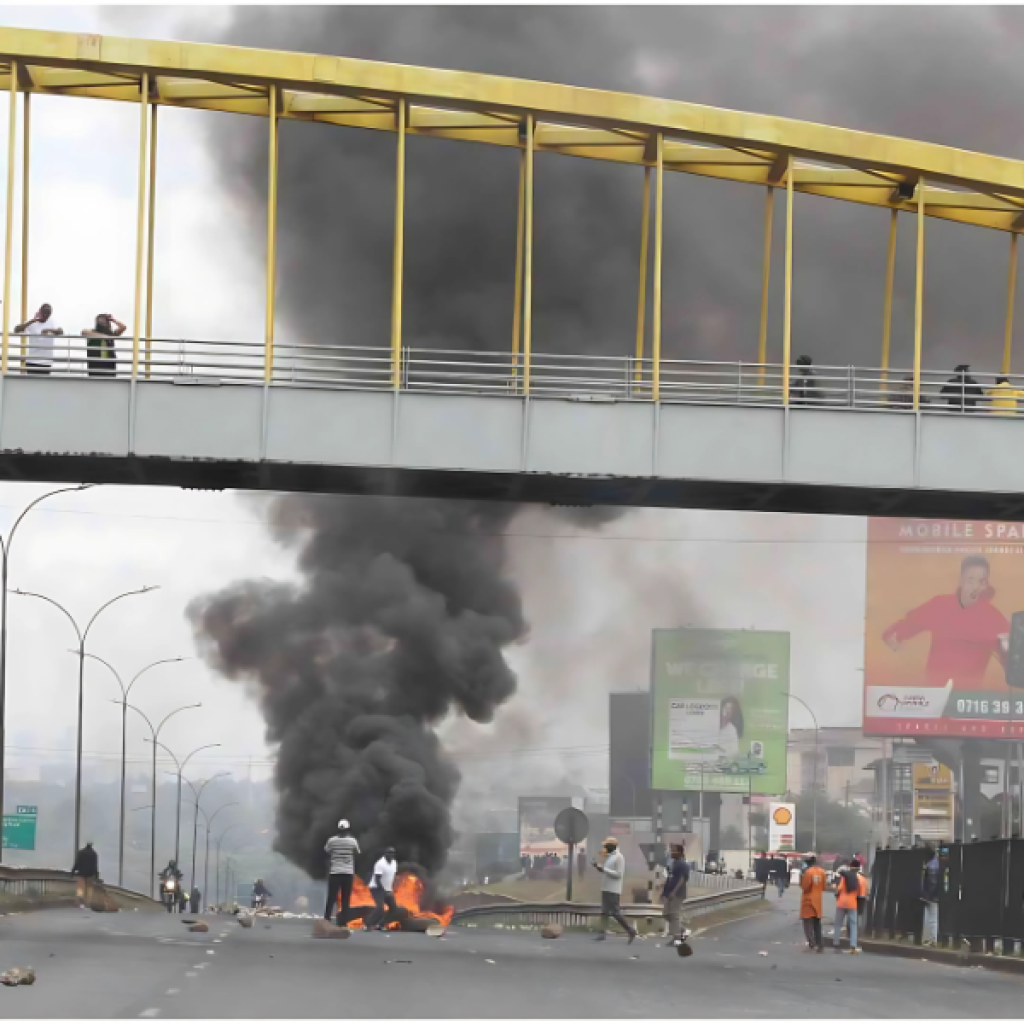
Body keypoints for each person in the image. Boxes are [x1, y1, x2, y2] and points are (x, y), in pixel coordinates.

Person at [883, 554, 1010, 691]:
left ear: (986, 584)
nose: (976, 587)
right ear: (961, 581)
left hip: (968, 700)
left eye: (982, 581)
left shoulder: (994, 619)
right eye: (970, 580)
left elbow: (1011, 659)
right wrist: (893, 636)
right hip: (934, 694)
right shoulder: (940, 605)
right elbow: (908, 624)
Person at [592, 837, 637, 944]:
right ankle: (602, 933)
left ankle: (630, 930)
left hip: (613, 889)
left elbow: (619, 874)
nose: (605, 847)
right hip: (606, 888)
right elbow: (608, 872)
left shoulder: (619, 857)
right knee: (604, 912)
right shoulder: (610, 857)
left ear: (613, 846)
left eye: (607, 846)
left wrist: (604, 869)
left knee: (615, 912)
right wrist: (600, 868)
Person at [324, 818, 360, 926]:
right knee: (345, 899)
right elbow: (357, 852)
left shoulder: (332, 841)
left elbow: (327, 851)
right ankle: (343, 922)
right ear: (348, 829)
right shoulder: (352, 841)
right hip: (348, 873)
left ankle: (327, 919)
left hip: (334, 872)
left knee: (331, 897)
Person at [15, 303, 63, 376]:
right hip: (32, 361)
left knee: (44, 386)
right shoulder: (32, 323)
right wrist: (33, 321)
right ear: (40, 311)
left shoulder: (52, 322)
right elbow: (16, 329)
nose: (46, 316)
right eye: (44, 313)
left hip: (46, 362)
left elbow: (61, 331)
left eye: (48, 314)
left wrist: (49, 330)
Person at [661, 843, 691, 946]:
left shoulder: (683, 864)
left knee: (674, 914)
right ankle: (682, 930)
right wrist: (665, 892)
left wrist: (674, 891)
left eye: (673, 850)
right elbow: (670, 877)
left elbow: (683, 879)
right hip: (668, 891)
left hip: (678, 893)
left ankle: (677, 938)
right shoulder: (673, 863)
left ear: (679, 852)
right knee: (666, 914)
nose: (671, 852)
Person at [833, 857, 862, 954]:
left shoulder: (845, 877)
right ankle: (853, 946)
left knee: (838, 924)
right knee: (853, 925)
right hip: (852, 903)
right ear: (858, 867)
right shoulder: (861, 879)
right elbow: (861, 895)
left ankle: (836, 943)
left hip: (841, 902)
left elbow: (839, 889)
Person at [82, 313, 125, 378]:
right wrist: (103, 336)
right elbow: (84, 332)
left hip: (109, 367)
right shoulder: (92, 333)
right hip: (95, 367)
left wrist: (113, 320)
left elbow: (123, 327)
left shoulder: (111, 335)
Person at [365, 847, 398, 931]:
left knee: (394, 908)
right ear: (385, 854)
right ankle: (367, 924)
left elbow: (392, 877)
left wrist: (390, 889)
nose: (390, 855)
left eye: (392, 853)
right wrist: (384, 892)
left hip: (387, 889)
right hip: (376, 888)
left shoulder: (394, 863)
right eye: (389, 853)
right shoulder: (380, 864)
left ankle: (381, 924)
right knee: (380, 908)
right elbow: (377, 879)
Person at [800, 855, 827, 953]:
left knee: (807, 923)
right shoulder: (822, 872)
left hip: (808, 901)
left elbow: (805, 887)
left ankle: (811, 942)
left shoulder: (808, 872)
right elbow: (824, 887)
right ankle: (820, 944)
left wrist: (801, 876)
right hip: (818, 901)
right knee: (817, 923)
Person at [921, 845, 940, 947]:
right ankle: (931, 939)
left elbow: (932, 882)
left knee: (932, 918)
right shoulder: (935, 863)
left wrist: (927, 896)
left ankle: (933, 940)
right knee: (930, 918)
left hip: (931, 896)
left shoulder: (931, 866)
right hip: (933, 895)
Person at [71, 841, 99, 908]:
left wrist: (73, 871)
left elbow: (77, 863)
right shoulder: (94, 854)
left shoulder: (81, 853)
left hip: (81, 873)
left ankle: (78, 902)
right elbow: (95, 865)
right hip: (90, 874)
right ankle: (88, 903)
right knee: (89, 888)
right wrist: (96, 875)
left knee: (80, 888)